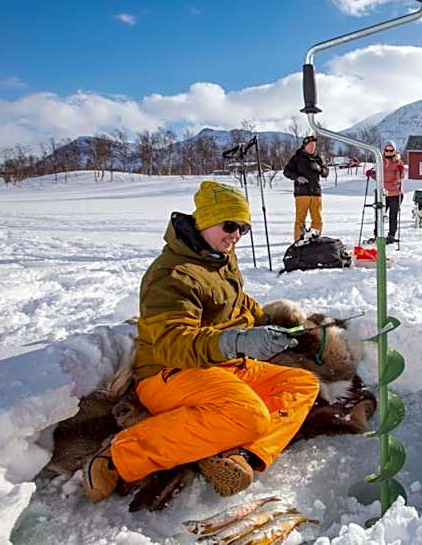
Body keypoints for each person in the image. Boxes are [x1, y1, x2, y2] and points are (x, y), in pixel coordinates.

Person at [82, 181, 320, 503]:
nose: (236, 235)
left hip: (218, 365)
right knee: (248, 414)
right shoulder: (172, 275)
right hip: (170, 372)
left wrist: (270, 325)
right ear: (205, 220)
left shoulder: (219, 256)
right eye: (230, 225)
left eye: (243, 229)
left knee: (301, 382)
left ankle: (241, 456)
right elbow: (174, 343)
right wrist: (238, 342)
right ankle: (120, 455)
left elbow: (236, 302)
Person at [284, 134, 330, 241]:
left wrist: (319, 169)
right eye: (310, 145)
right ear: (304, 146)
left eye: (314, 145)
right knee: (300, 219)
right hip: (302, 193)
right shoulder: (297, 157)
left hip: (316, 193)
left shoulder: (318, 158)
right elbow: (286, 171)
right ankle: (298, 241)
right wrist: (297, 177)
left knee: (317, 219)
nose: (312, 147)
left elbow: (326, 172)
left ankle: (315, 239)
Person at [365, 141, 405, 243]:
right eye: (387, 150)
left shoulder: (398, 162)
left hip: (395, 193)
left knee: (393, 215)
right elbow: (378, 177)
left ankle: (391, 235)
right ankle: (377, 235)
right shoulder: (380, 161)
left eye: (391, 150)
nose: (389, 152)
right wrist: (371, 174)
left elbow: (401, 177)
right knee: (379, 215)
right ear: (384, 151)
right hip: (383, 193)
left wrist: (400, 171)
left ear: (394, 151)